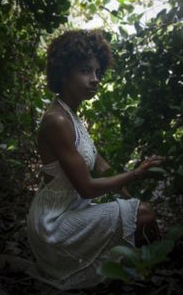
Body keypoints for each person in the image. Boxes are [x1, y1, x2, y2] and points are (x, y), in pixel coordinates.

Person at [27, 29, 164, 291]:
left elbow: (101, 166)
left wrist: (130, 199)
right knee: (143, 215)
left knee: (141, 211)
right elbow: (87, 187)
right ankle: (144, 276)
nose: (95, 79)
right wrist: (136, 174)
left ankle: (147, 274)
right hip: (54, 224)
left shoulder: (73, 116)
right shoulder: (56, 120)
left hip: (71, 212)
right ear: (63, 73)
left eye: (98, 72)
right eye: (85, 71)